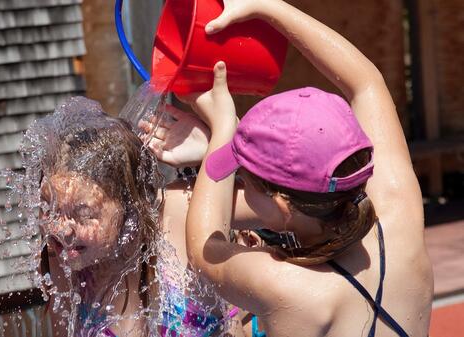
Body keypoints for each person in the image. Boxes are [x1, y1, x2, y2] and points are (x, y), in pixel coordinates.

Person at [145, 1, 433, 336]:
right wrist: (267, 6)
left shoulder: (286, 286)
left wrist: (223, 129)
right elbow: (367, 83)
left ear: (283, 205)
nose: (241, 182)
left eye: (246, 179)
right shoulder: (400, 222)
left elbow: (204, 249)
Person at [25, 97, 248, 337]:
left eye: (84, 214)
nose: (62, 229)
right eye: (51, 208)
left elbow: (283, 207)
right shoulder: (64, 260)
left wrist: (217, 152)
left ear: (129, 203)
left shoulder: (180, 211)